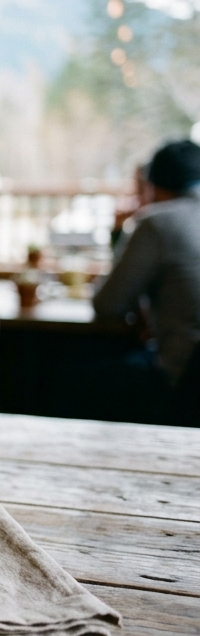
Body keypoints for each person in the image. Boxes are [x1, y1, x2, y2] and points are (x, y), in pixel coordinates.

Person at [89, 139, 200, 423]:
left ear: (154, 186)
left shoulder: (157, 221)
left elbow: (108, 305)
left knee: (81, 375)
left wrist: (117, 233)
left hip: (184, 378)